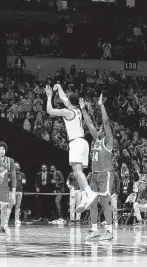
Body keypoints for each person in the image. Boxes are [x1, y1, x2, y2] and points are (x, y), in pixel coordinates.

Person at [45, 84, 97, 213]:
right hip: (83, 142)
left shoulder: (67, 111)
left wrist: (49, 96)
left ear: (69, 101)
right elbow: (63, 97)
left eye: (67, 98)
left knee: (77, 172)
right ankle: (86, 197)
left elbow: (49, 110)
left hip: (76, 143)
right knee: (79, 173)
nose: (65, 99)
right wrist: (58, 86)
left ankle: (90, 194)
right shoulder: (77, 110)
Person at [80, 94, 114, 241]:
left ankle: (109, 231)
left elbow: (106, 122)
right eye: (98, 129)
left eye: (100, 129)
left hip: (105, 175)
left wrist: (101, 105)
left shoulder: (108, 142)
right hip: (94, 175)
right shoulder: (96, 139)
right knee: (92, 203)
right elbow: (88, 123)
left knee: (104, 203)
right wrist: (83, 110)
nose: (98, 129)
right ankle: (94, 230)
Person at [0, 141, 16, 232]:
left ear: (5, 150)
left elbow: (14, 177)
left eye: (3, 149)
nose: (1, 151)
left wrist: (14, 193)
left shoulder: (10, 161)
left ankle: (3, 226)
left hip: (4, 188)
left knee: (3, 208)